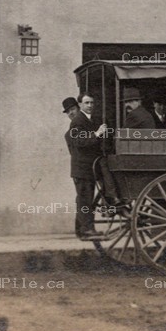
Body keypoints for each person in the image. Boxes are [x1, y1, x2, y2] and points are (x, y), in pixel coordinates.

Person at [64, 94, 107, 239]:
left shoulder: (88, 120)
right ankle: (87, 230)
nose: (89, 105)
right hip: (82, 169)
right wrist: (97, 134)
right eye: (86, 103)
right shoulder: (78, 122)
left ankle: (81, 230)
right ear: (81, 105)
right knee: (85, 200)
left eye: (91, 102)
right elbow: (80, 142)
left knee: (83, 199)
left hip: (87, 168)